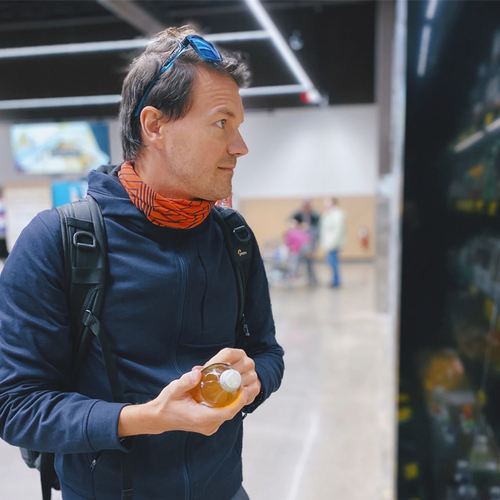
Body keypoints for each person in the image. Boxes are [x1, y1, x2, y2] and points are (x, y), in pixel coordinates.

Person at [0, 26, 284, 500]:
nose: (240, 146)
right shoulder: (58, 242)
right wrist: (145, 419)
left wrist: (255, 377)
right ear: (153, 126)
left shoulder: (233, 238)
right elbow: (17, 405)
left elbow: (268, 353)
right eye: (221, 123)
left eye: (239, 127)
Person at [320, 197, 346, 287]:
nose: (325, 203)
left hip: (333, 243)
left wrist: (333, 243)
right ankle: (334, 279)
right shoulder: (328, 214)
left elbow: (337, 230)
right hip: (329, 243)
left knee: (332, 262)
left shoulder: (337, 214)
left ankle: (336, 281)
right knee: (331, 262)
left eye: (327, 201)